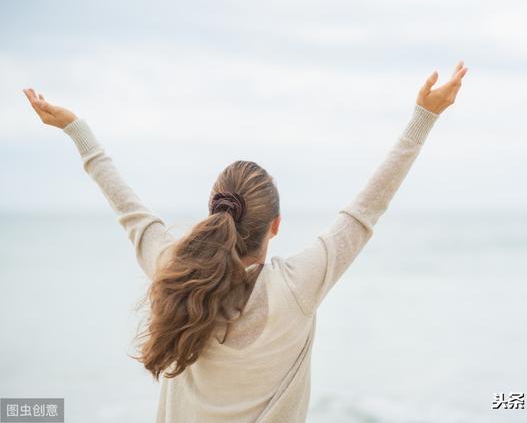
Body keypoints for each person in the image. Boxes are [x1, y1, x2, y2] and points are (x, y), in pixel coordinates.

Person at [23, 60, 468, 422]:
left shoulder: (172, 271)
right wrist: (423, 119)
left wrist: (77, 130)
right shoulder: (297, 286)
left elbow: (128, 209)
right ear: (275, 225)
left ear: (214, 212)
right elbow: (366, 209)